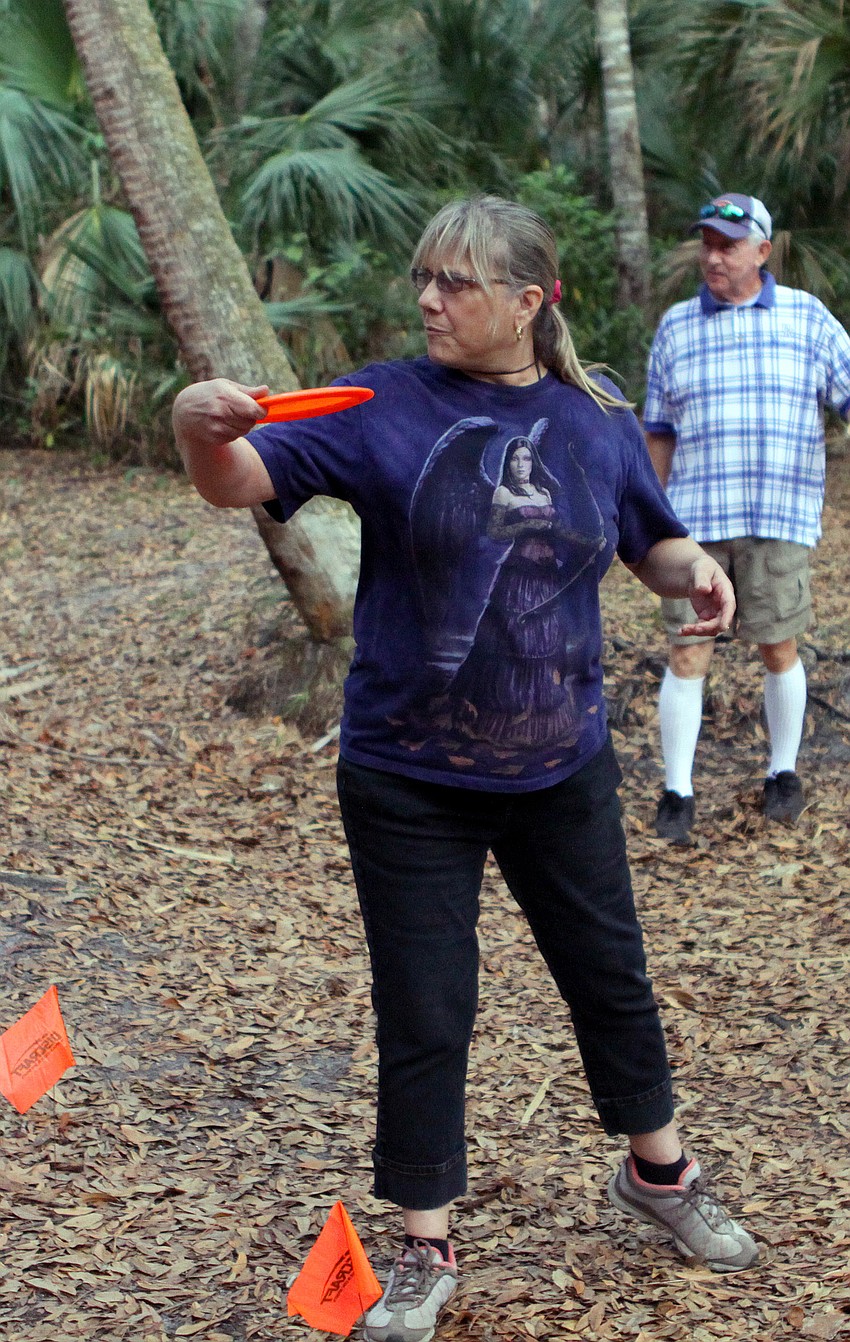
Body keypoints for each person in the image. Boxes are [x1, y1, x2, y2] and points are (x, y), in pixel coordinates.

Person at [173, 195, 757, 1342]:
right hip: (409, 771)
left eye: (459, 284)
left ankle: (658, 1175)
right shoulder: (380, 401)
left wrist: (695, 571)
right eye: (425, 279)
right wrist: (200, 429)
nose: (431, 300)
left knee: (609, 975)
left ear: (529, 304)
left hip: (560, 762)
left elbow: (647, 536)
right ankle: (426, 1244)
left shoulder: (593, 415)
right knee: (428, 1007)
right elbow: (242, 480)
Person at [643, 192, 850, 843]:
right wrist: (651, 519)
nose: (713, 256)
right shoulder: (677, 325)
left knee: (778, 645)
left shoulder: (808, 319)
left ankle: (782, 773)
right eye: (706, 242)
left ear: (763, 250)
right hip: (695, 525)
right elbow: (658, 432)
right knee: (687, 652)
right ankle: (677, 790)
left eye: (728, 244)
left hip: (778, 516)